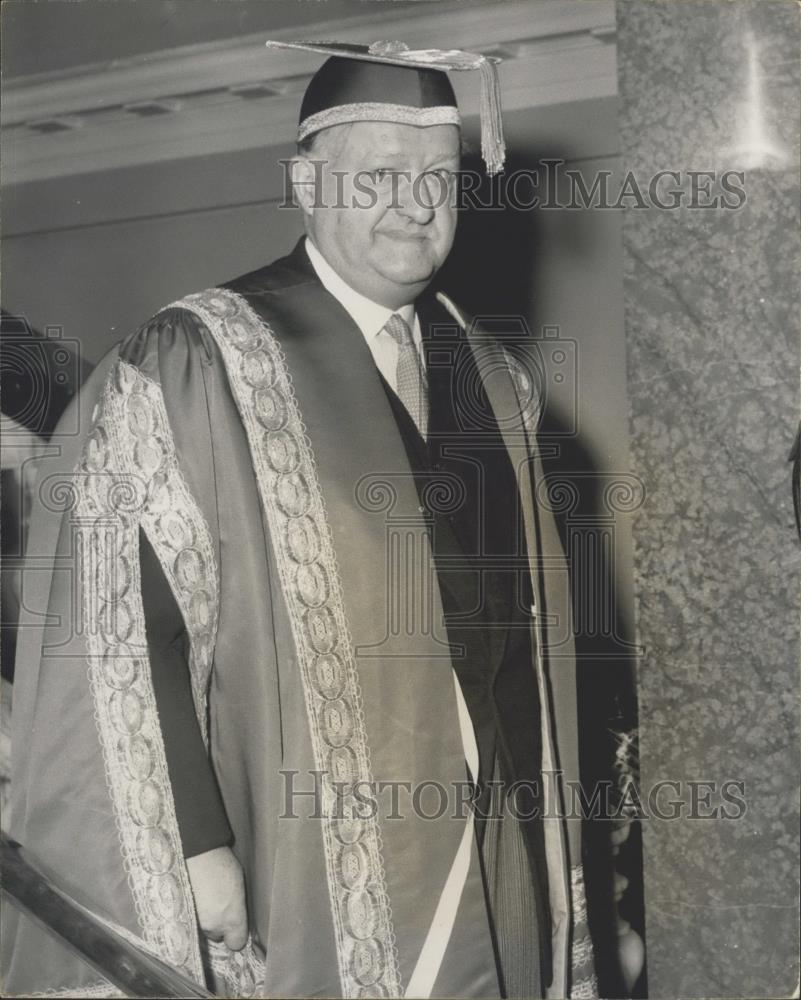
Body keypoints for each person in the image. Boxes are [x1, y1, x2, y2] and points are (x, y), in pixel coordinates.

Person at [3, 41, 601, 999]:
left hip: (503, 827)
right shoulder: (201, 361)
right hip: (308, 845)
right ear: (305, 182)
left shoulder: (494, 380)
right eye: (381, 175)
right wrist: (198, 846)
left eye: (438, 178)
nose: (415, 204)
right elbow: (120, 628)